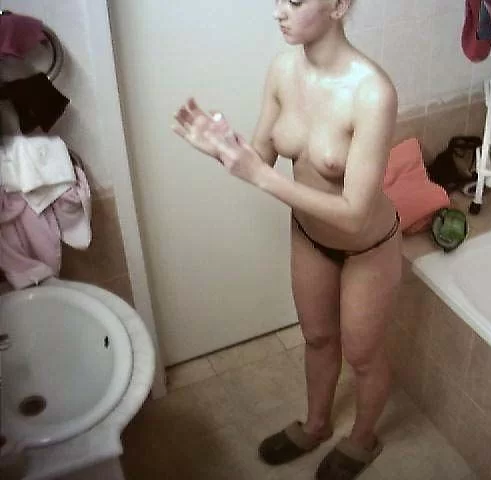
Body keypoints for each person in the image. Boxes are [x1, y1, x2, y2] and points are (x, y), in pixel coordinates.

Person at [172, 1, 401, 478]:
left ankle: (363, 438)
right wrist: (223, 148)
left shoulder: (373, 93)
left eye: (295, 0)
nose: (278, 11)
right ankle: (316, 425)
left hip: (367, 247)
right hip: (310, 235)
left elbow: (355, 214)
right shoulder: (282, 70)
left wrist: (260, 176)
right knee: (317, 337)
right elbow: (261, 156)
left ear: (339, 5)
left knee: (362, 354)